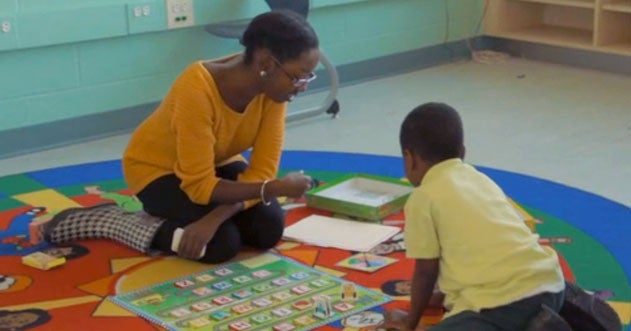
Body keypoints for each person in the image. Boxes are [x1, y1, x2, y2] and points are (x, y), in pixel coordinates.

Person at [39, 10, 320, 264]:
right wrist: (271, 189)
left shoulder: (274, 92)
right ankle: (114, 221)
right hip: (157, 171)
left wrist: (217, 215)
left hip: (211, 163)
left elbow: (262, 172)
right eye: (298, 77)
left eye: (308, 77)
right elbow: (200, 186)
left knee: (268, 228)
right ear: (266, 63)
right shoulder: (196, 88)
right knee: (221, 245)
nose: (303, 86)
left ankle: (206, 221)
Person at [382, 102, 621, 331]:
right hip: (551, 283)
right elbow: (487, 248)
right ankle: (553, 317)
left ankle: (533, 322)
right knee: (524, 295)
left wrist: (410, 322)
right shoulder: (478, 179)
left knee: (473, 321)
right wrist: (442, 296)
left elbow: (426, 270)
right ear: (462, 153)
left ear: (409, 158)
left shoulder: (423, 198)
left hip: (502, 304)